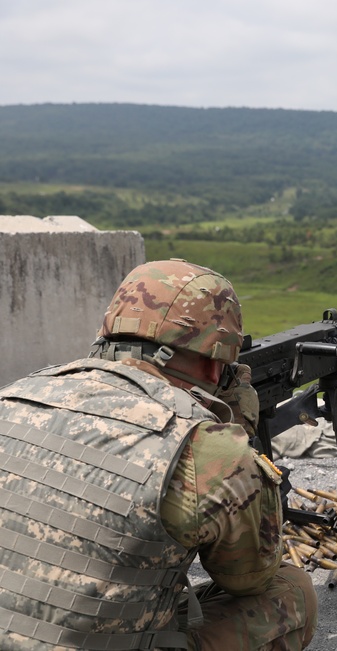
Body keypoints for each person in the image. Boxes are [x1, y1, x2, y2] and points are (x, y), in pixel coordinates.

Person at [0, 259, 317, 650]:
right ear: (212, 361)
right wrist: (234, 438)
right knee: (293, 591)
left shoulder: (16, 395)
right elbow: (248, 577)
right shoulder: (210, 447)